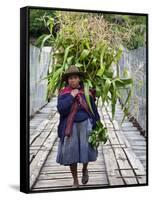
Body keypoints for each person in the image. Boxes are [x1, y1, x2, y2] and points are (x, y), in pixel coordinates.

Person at [56, 65, 101, 188]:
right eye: (70, 78)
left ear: (79, 79)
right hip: (71, 128)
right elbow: (61, 109)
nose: (72, 80)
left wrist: (98, 125)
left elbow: (94, 110)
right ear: (67, 80)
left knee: (86, 151)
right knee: (71, 155)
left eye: (75, 77)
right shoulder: (64, 94)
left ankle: (85, 169)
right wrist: (71, 96)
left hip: (86, 125)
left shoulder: (87, 92)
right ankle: (75, 180)